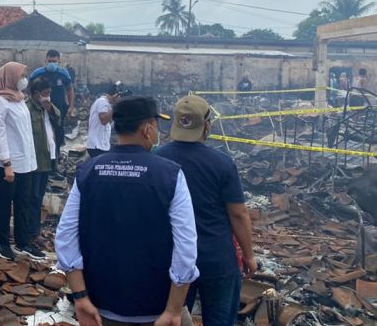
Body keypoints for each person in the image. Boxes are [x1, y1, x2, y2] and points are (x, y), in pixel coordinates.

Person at [56, 96, 198, 326]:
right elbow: (186, 245)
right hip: (157, 308)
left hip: (101, 306)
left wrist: (80, 296)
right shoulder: (169, 174)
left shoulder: (88, 171)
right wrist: (173, 309)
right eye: (156, 125)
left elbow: (65, 236)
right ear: (147, 129)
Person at [156, 95, 256, 325]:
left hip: (174, 259)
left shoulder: (159, 159)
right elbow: (238, 214)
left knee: (174, 319)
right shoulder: (222, 163)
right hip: (217, 258)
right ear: (207, 125)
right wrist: (249, 255)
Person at [0, 62, 44, 260]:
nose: (25, 79)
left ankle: (23, 243)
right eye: (21, 75)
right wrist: (6, 163)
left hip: (25, 161)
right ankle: (1, 244)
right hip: (8, 163)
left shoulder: (19, 100)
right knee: (4, 203)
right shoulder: (0, 102)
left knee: (23, 202)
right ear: (10, 77)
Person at [29, 50, 74, 181]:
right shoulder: (37, 73)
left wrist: (71, 106)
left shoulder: (63, 73)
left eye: (55, 61)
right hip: (40, 111)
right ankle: (39, 167)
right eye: (50, 61)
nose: (52, 63)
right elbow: (30, 89)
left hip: (57, 112)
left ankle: (53, 168)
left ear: (59, 61)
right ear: (45, 61)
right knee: (41, 138)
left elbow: (70, 90)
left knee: (57, 139)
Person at [25, 76, 61, 244]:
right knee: (32, 196)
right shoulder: (27, 108)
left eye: (50, 94)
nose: (48, 96)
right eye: (46, 93)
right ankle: (31, 232)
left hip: (47, 158)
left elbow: (58, 119)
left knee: (38, 196)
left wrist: (50, 108)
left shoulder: (46, 108)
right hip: (34, 160)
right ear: (37, 93)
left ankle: (34, 230)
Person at [86, 83, 118, 158]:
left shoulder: (106, 103)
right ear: (114, 95)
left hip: (100, 145)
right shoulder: (102, 102)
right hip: (97, 145)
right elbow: (103, 120)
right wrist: (115, 106)